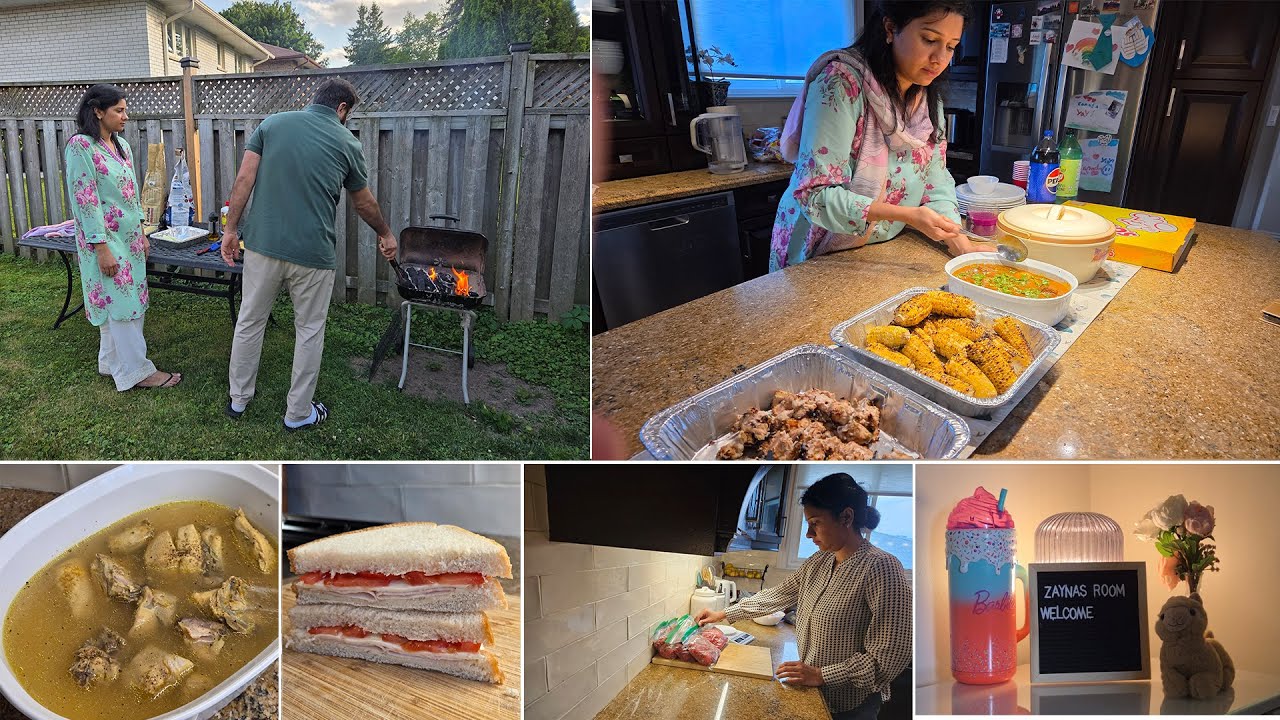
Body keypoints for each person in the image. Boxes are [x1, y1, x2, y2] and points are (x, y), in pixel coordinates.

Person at [221, 78, 396, 430]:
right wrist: (385, 232)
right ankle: (298, 413)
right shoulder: (347, 142)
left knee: (250, 321)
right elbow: (363, 202)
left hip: (262, 246)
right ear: (342, 108)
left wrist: (230, 229)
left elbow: (243, 180)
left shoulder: (271, 124)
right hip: (312, 253)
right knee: (310, 330)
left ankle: (238, 400)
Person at [772, 0, 991, 271]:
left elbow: (936, 179)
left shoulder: (927, 100)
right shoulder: (840, 84)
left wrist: (959, 241)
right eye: (929, 39)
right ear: (890, 28)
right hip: (818, 250)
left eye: (950, 46)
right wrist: (908, 216)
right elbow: (815, 194)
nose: (939, 59)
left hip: (877, 250)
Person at [694, 473, 911, 720]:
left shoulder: (881, 567)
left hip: (851, 706)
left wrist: (821, 675)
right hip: (815, 693)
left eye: (815, 523)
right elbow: (778, 594)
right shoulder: (820, 561)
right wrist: (723, 613)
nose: (809, 534)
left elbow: (891, 655)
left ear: (846, 517)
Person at [65, 84, 182, 391]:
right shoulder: (81, 147)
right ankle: (138, 371)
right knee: (121, 301)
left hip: (129, 238)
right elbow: (85, 199)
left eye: (125, 110)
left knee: (126, 298)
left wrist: (142, 232)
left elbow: (131, 195)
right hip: (103, 240)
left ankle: (109, 360)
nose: (125, 116)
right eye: (119, 110)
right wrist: (100, 247)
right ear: (98, 111)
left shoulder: (122, 146)